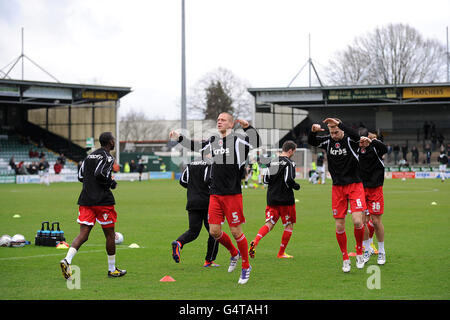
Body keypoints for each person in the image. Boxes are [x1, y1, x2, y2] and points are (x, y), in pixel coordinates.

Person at [169, 112, 261, 284]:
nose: (219, 122)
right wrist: (179, 137)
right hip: (215, 194)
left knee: (236, 232)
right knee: (214, 231)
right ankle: (234, 253)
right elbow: (195, 146)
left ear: (231, 124)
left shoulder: (238, 141)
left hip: (232, 194)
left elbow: (256, 142)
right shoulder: (213, 141)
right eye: (218, 119)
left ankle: (246, 266)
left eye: (223, 120)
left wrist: (248, 127)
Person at [59, 132, 126, 280]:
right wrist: (111, 183)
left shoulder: (89, 156)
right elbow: (100, 173)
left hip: (86, 200)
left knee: (84, 234)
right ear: (109, 142)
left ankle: (67, 260)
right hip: (103, 202)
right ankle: (112, 269)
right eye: (113, 140)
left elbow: (81, 177)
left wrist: (92, 185)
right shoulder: (108, 157)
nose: (114, 142)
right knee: (109, 235)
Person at [308, 118, 369, 273]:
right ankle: (345, 259)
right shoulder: (328, 141)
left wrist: (339, 124)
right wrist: (313, 131)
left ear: (341, 128)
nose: (334, 135)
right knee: (339, 225)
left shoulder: (351, 140)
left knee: (357, 221)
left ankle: (360, 252)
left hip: (355, 185)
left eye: (336, 131)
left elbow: (355, 135)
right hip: (337, 188)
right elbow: (312, 141)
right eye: (331, 132)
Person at [249, 141, 300, 259]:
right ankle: (281, 253)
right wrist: (296, 186)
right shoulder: (290, 163)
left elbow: (266, 180)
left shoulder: (271, 162)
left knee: (269, 224)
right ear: (291, 150)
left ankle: (255, 241)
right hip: (285, 200)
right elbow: (288, 180)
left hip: (271, 198)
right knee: (289, 225)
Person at [172, 157, 220, 267]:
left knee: (193, 231)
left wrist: (194, 189)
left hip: (192, 202)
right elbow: (210, 181)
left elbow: (182, 181)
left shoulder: (191, 164)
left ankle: (178, 243)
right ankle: (209, 261)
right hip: (207, 202)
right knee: (214, 232)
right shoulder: (210, 164)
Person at [358, 130, 388, 265]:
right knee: (361, 222)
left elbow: (385, 149)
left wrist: (373, 141)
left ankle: (381, 251)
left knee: (376, 221)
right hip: (360, 190)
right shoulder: (356, 149)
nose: (364, 141)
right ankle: (367, 249)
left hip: (375, 189)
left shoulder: (376, 148)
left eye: (367, 138)